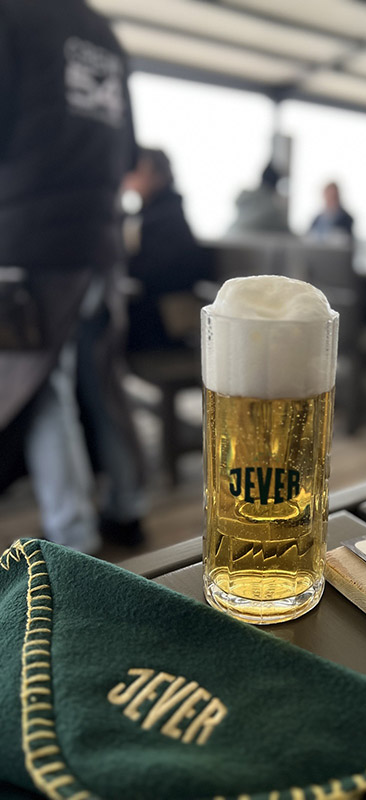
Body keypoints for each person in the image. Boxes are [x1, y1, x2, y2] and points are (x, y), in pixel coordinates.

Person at [0, 0, 146, 552]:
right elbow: (129, 151)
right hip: (102, 245)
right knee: (103, 377)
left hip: (30, 241)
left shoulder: (12, 16)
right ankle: (127, 507)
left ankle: (74, 540)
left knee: (41, 391)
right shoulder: (103, 33)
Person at [122, 148, 207, 351]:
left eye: (138, 171)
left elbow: (161, 271)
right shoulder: (148, 214)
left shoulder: (166, 219)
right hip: (154, 307)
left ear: (158, 176)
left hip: (165, 317)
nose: (129, 176)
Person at [227, 162, 290, 236]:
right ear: (276, 185)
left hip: (230, 237)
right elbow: (289, 235)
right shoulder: (270, 209)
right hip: (244, 245)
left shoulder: (247, 199)